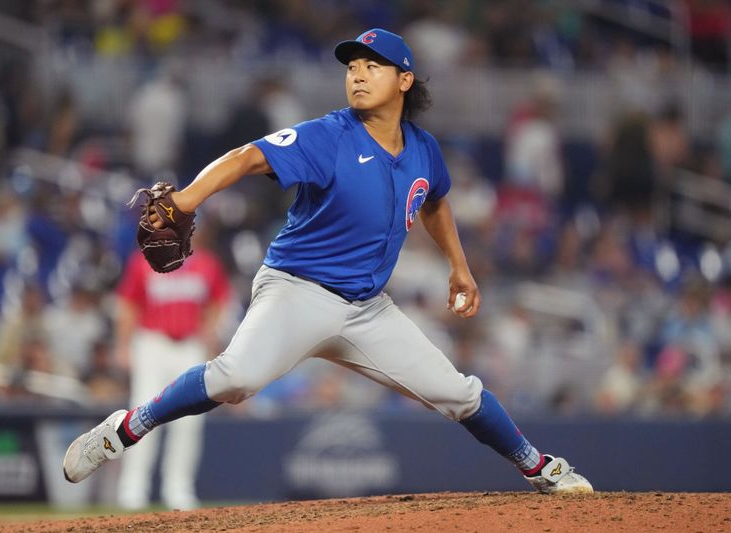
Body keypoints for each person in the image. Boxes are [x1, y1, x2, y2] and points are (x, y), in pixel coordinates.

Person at [64, 28, 592, 495]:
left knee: (458, 392)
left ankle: (539, 467)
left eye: (372, 66)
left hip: (368, 310)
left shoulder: (424, 149)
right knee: (234, 380)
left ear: (404, 80)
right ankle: (125, 428)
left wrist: (460, 265)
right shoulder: (330, 135)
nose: (358, 75)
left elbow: (433, 200)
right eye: (352, 67)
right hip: (296, 291)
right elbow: (249, 156)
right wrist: (186, 200)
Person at [113, 232, 231, 510]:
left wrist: (210, 331)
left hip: (190, 346)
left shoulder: (206, 264)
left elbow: (219, 300)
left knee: (189, 422)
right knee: (140, 415)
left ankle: (178, 487)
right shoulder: (145, 260)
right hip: (152, 343)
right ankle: (133, 488)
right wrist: (122, 344)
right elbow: (128, 303)